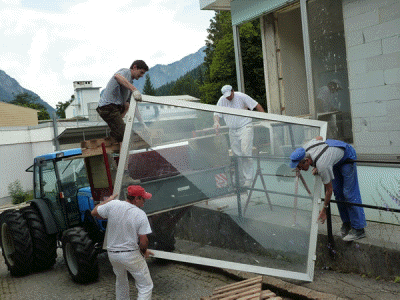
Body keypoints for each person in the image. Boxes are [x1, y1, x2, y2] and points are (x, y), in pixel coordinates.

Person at [289, 136, 366, 241]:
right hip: (334, 159)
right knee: (338, 193)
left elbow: (328, 190)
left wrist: (323, 210)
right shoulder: (305, 149)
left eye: (299, 166)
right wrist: (315, 162)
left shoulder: (323, 165)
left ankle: (359, 229)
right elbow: (319, 137)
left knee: (349, 193)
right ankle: (347, 224)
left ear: (306, 160)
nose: (299, 169)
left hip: (347, 154)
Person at [91, 185, 154, 300]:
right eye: (143, 199)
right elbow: (144, 241)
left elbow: (94, 212)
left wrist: (107, 201)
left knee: (121, 282)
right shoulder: (140, 214)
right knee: (145, 286)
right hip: (130, 254)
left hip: (113, 255)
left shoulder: (113, 204)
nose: (144, 201)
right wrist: (144, 251)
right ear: (136, 199)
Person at [213, 85, 265, 187]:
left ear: (233, 91)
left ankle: (248, 178)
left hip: (245, 126)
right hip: (232, 130)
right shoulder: (222, 100)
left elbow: (256, 105)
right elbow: (216, 114)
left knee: (245, 152)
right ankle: (240, 179)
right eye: (226, 96)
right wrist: (216, 122)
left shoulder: (241, 96)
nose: (228, 97)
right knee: (237, 155)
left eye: (230, 95)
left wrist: (265, 117)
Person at [97, 60, 149, 144]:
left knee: (127, 106)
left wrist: (143, 124)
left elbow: (133, 107)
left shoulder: (129, 84)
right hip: (107, 107)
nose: (142, 76)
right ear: (134, 67)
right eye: (141, 72)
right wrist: (134, 89)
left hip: (115, 109)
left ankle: (117, 133)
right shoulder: (125, 72)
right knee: (125, 135)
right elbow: (117, 76)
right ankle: (118, 135)